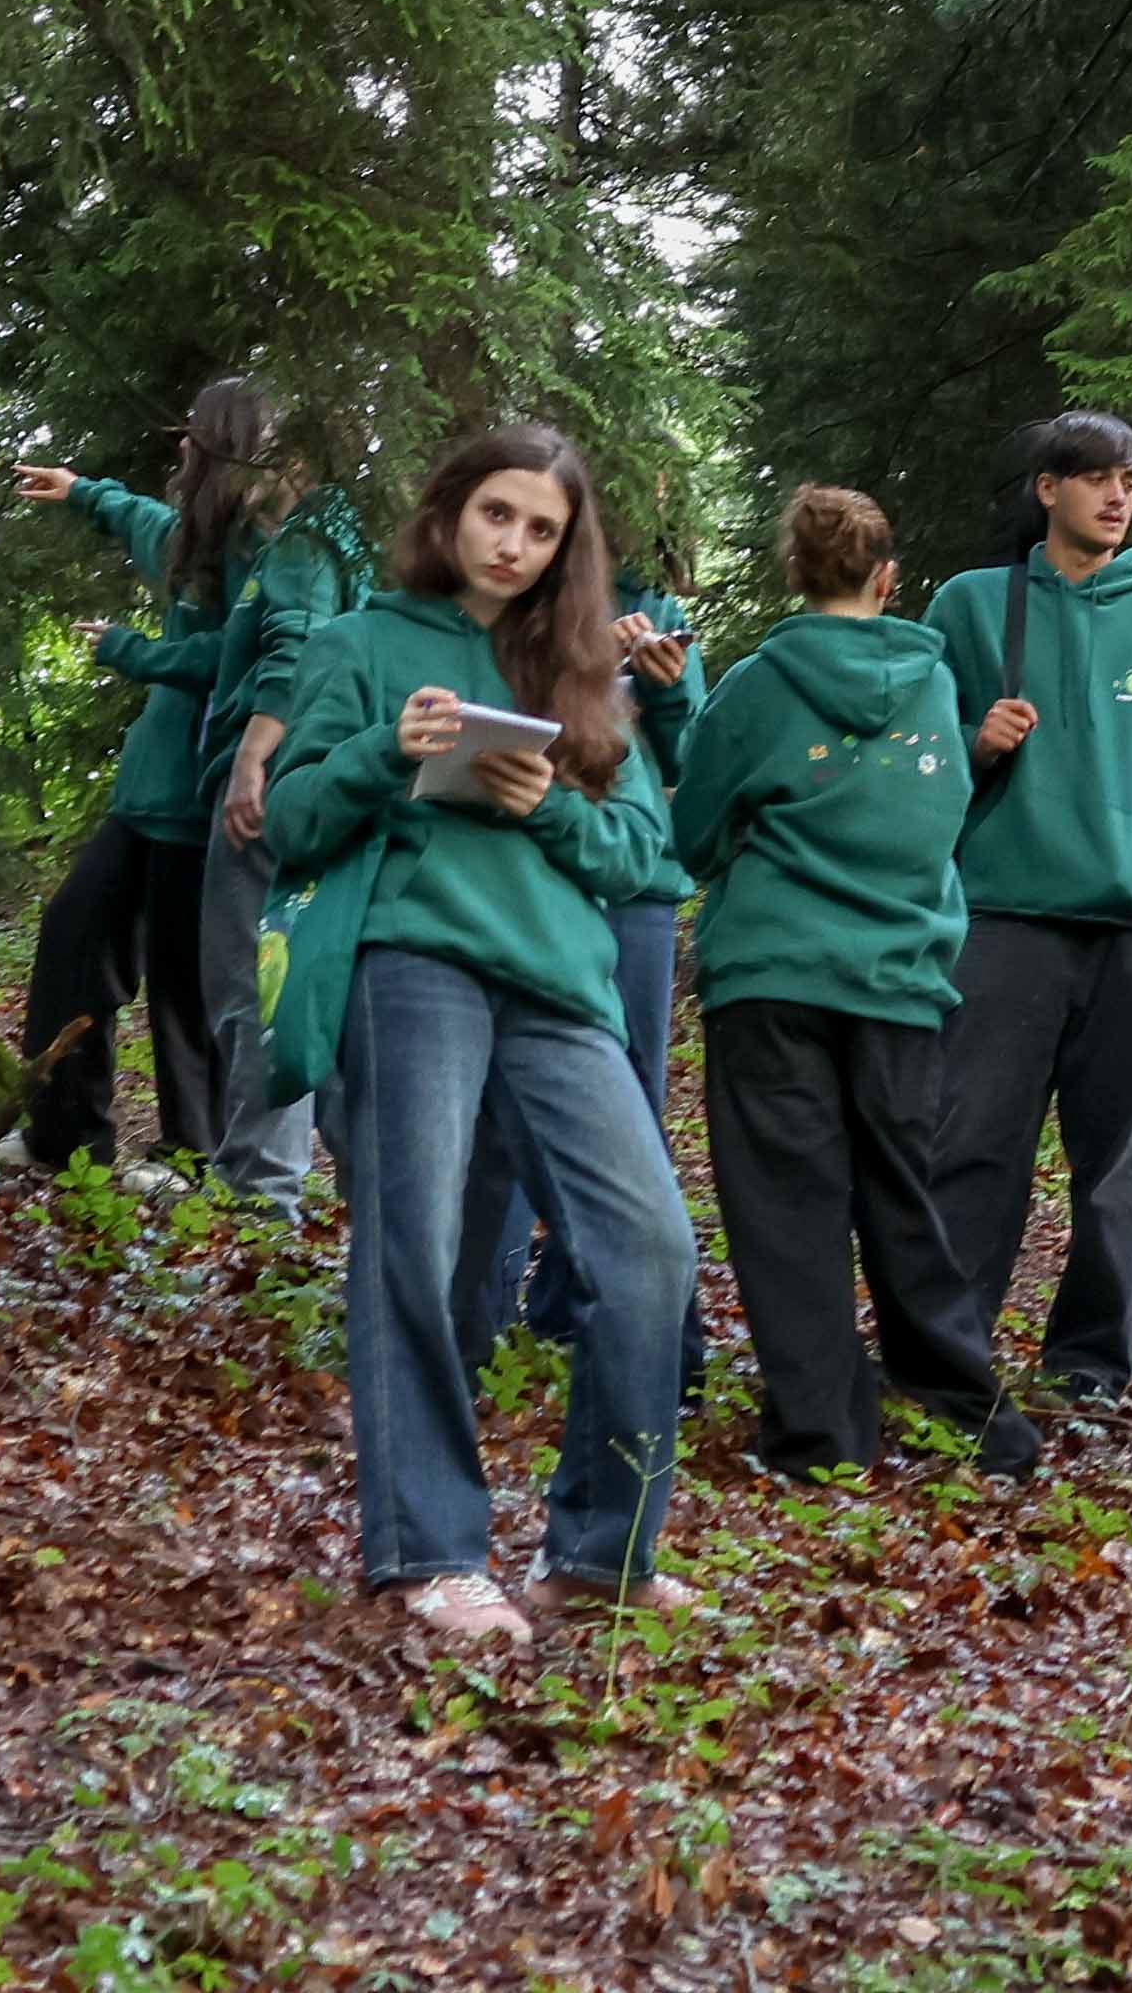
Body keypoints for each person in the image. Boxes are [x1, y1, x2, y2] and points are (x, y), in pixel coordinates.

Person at [265, 418, 696, 1649]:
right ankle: (430, 1551)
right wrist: (382, 751)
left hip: (560, 984)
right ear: (450, 509)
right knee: (418, 1246)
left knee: (650, 1249)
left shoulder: (580, 669)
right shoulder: (362, 641)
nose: (513, 542)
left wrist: (547, 801)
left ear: (568, 548)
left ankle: (602, 1552)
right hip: (414, 966)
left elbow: (644, 854)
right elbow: (289, 820)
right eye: (496, 512)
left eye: (542, 528)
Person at [673, 485, 1029, 1476]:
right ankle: (967, 1408)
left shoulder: (756, 685)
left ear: (798, 573)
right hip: (900, 977)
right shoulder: (934, 686)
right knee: (902, 1195)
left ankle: (821, 1430)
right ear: (887, 577)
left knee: (787, 1203)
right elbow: (942, 818)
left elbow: (692, 832)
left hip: (772, 972)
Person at [927, 413, 1132, 1409]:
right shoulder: (972, 603)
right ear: (1047, 487)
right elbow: (916, 752)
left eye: (1130, 481)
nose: (1116, 496)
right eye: (1096, 477)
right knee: (974, 1144)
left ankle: (1091, 1368)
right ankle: (946, 1354)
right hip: (1005, 913)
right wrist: (974, 741)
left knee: (1123, 1167)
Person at [0, 373, 278, 1177]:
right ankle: (63, 1135)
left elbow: (244, 654)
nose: (183, 444)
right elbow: (147, 522)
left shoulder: (265, 548)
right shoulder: (196, 535)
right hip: (148, 795)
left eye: (196, 432)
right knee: (73, 937)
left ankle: (193, 1154)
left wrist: (137, 652)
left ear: (224, 444)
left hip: (207, 798)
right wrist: (83, 491)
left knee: (188, 985)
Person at [476, 561, 701, 1356]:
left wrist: (663, 692)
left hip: (636, 886)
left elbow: (685, 759)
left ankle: (584, 1309)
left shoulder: (662, 611)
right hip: (523, 873)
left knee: (629, 1093)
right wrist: (581, 662)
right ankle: (487, 1311)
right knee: (504, 1097)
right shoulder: (512, 598)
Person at [190, 453, 382, 1209]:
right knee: (305, 979)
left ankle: (260, 1187)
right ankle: (345, 1181)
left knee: (253, 978)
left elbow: (295, 648)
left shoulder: (303, 545)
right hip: (317, 777)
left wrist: (252, 759)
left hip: (273, 782)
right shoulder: (342, 544)